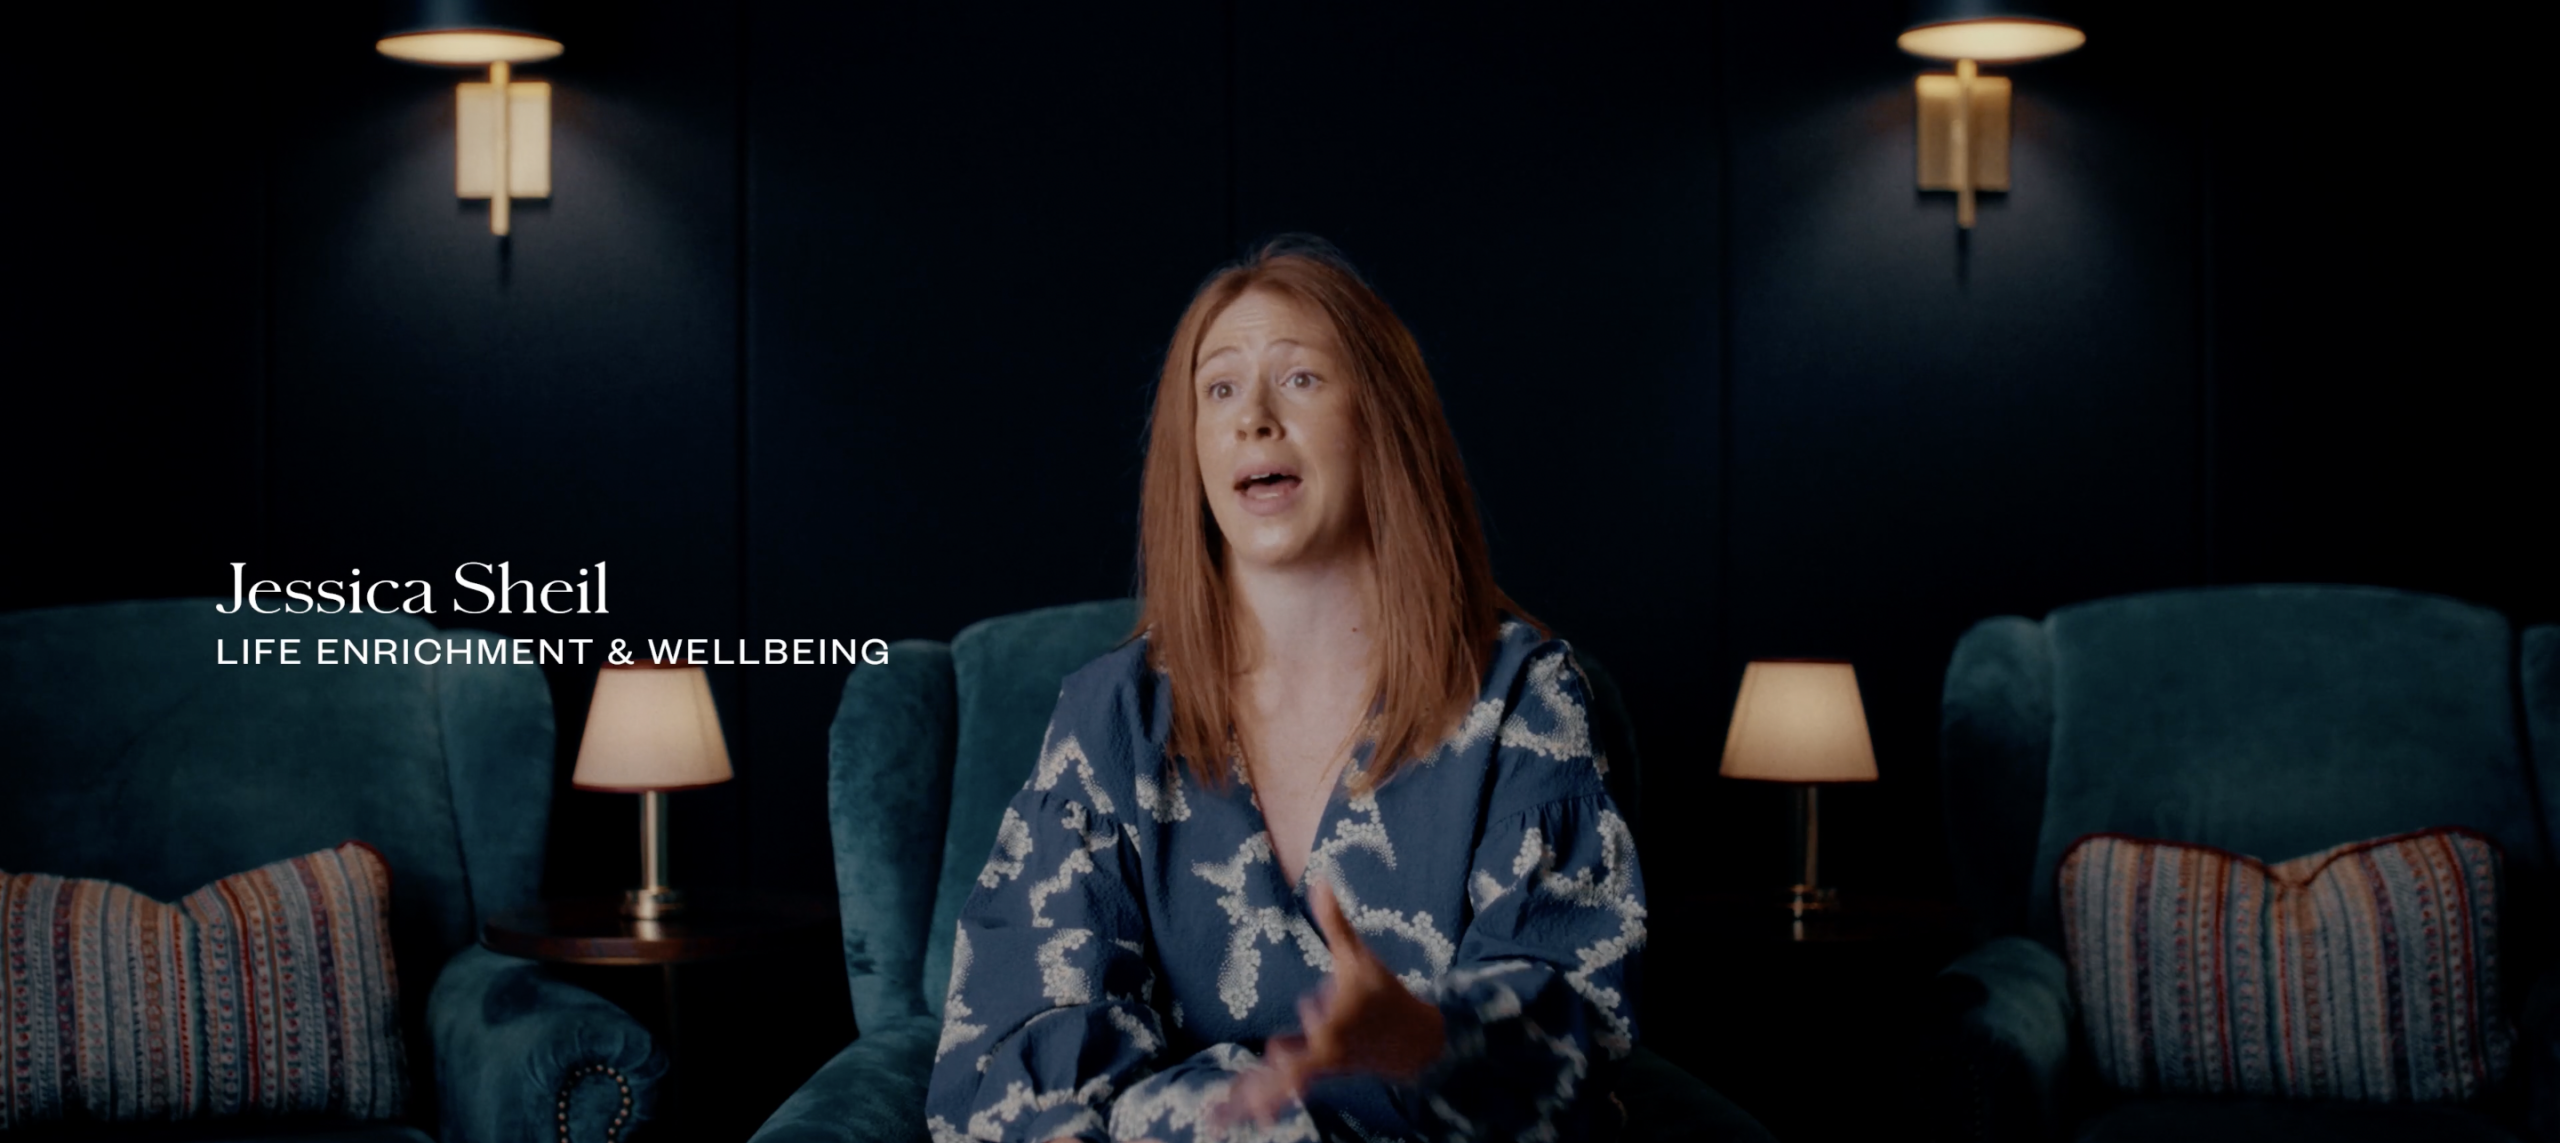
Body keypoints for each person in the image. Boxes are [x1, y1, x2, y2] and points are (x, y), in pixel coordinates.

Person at [924, 237, 1646, 1143]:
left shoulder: (1522, 699)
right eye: (1219, 388)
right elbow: (1016, 1033)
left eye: (1300, 379)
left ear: (1383, 419)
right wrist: (1225, 1118)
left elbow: (1576, 1024)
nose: (1252, 417)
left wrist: (1422, 1038)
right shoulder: (1111, 715)